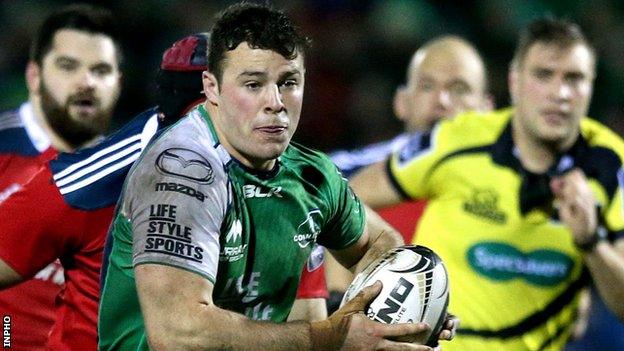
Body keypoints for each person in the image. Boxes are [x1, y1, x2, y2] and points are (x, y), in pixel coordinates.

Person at [98, 3, 456, 350]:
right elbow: (180, 334)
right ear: (211, 88)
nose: (275, 102)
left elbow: (378, 245)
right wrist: (331, 337)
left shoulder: (311, 174)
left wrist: (412, 310)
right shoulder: (180, 174)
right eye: (253, 84)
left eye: (289, 82)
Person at [350, 17, 624, 350]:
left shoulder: (612, 166)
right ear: (514, 81)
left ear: (591, 86)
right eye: (543, 75)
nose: (560, 93)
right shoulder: (458, 139)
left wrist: (591, 242)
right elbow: (348, 201)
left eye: (574, 79)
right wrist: (362, 287)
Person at [326, 37, 491, 310]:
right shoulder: (338, 175)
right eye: (427, 86)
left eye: (459, 89)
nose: (442, 100)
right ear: (402, 102)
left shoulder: (518, 186)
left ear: (487, 109)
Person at [0, 4, 121, 350]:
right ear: (34, 76)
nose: (86, 82)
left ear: (119, 82)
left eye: (101, 70)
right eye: (68, 66)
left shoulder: (133, 174)